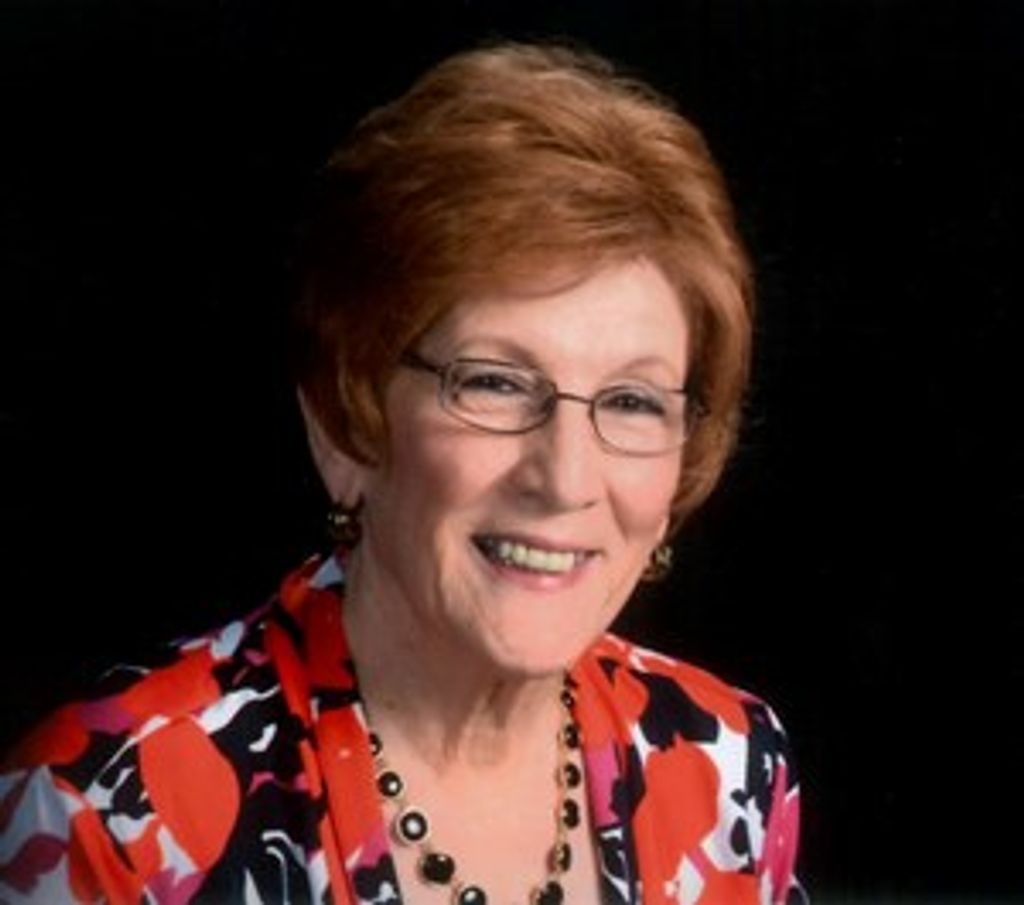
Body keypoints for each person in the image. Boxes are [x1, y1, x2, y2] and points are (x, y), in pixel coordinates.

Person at [0, 43, 804, 905]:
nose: (567, 477)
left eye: (633, 401)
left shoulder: (728, 766)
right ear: (348, 422)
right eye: (494, 383)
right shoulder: (107, 816)